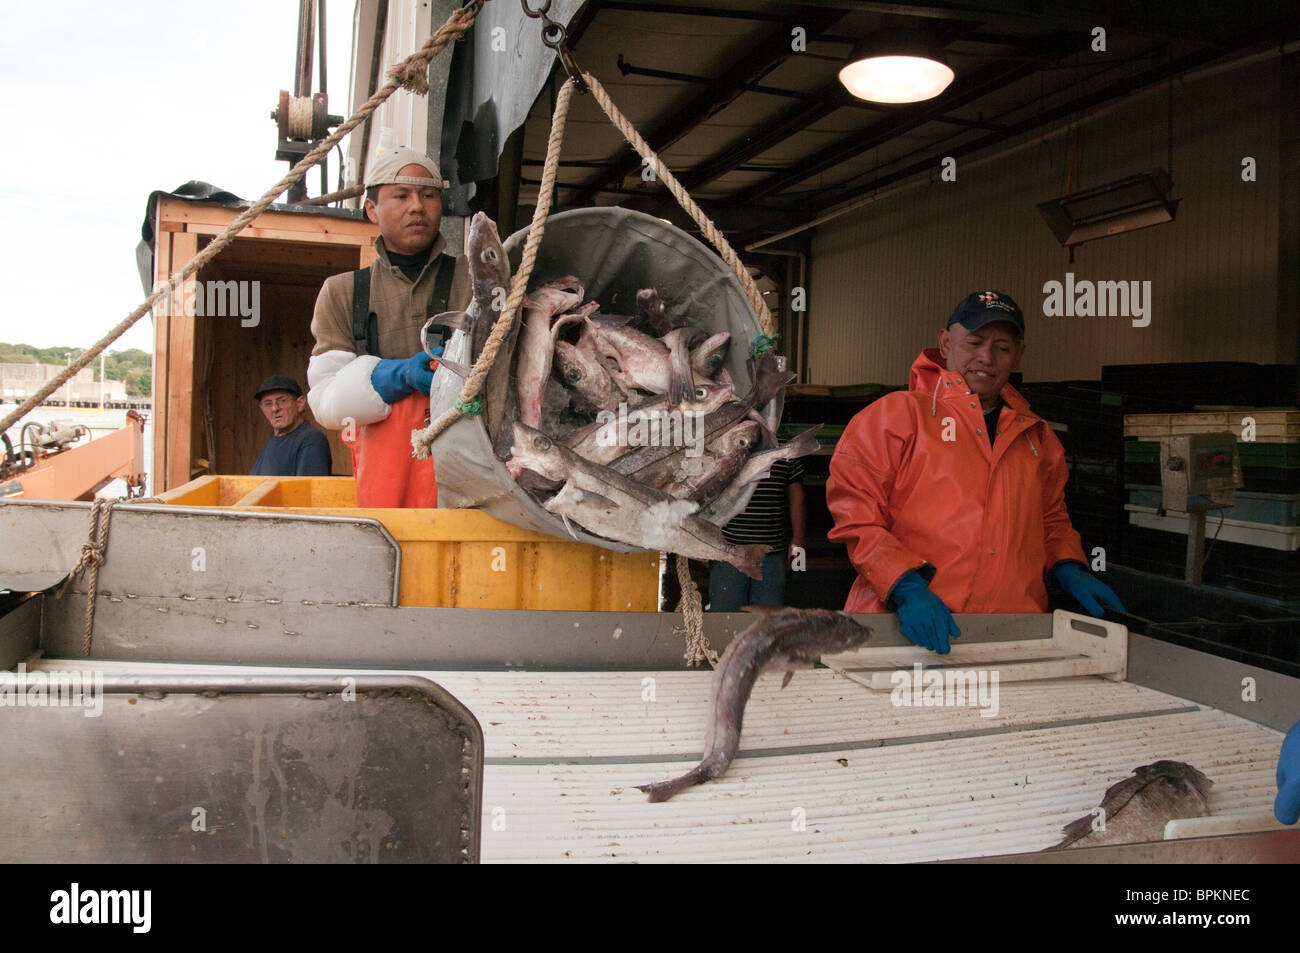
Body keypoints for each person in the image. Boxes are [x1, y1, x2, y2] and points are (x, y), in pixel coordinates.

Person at [826, 290, 1123, 654]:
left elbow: (1051, 521)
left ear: (1019, 354)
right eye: (975, 342)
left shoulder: (1037, 437)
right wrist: (905, 586)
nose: (987, 357)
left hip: (1010, 637)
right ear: (946, 342)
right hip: (901, 629)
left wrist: (1068, 566)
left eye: (1002, 347)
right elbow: (856, 518)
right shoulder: (893, 418)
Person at [306, 146, 471, 507]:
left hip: (467, 476)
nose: (417, 206)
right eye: (401, 195)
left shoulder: (474, 279)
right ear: (371, 210)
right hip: (384, 484)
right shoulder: (342, 292)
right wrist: (391, 376)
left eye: (428, 195)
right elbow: (325, 402)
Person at [709, 458, 806, 610]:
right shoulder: (730, 448)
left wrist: (798, 539)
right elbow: (709, 492)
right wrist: (706, 542)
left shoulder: (787, 451)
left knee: (768, 619)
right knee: (724, 616)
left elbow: (797, 497)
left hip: (771, 552)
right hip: (728, 551)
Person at [250, 375, 331, 476]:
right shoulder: (275, 441)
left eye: (282, 401)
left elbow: (308, 489)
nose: (275, 409)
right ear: (262, 409)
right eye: (268, 403)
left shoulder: (311, 440)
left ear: (300, 403)